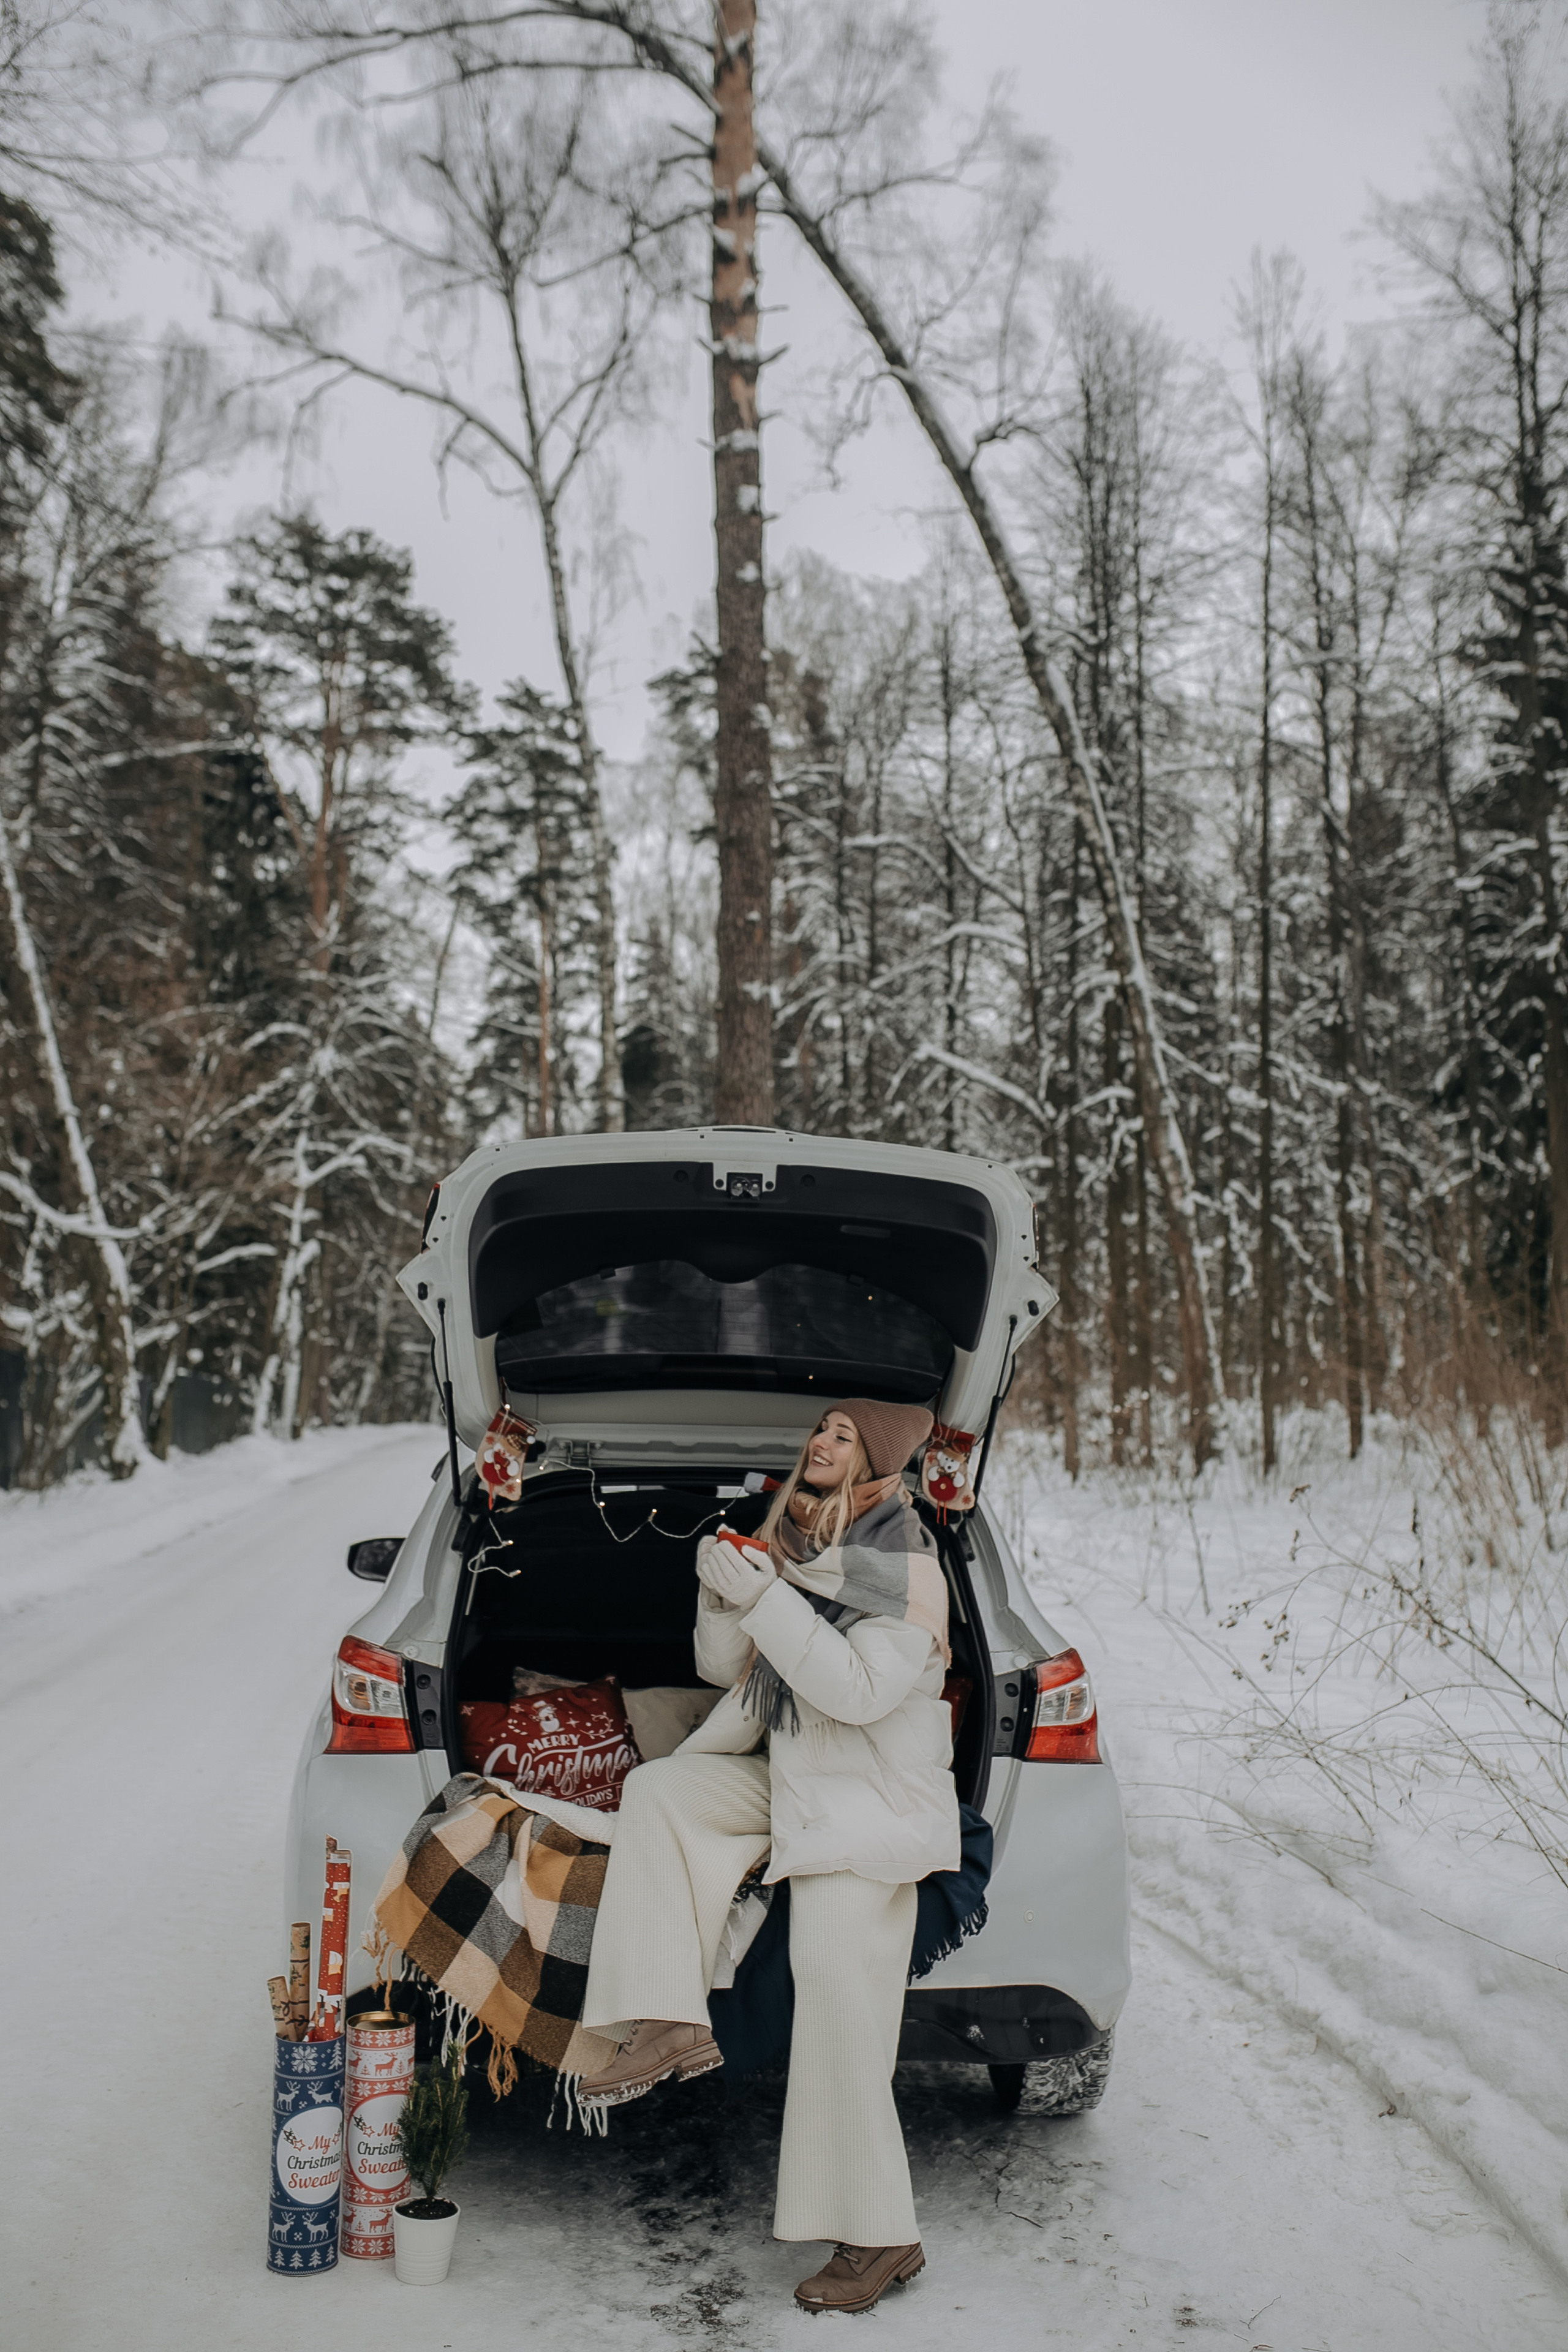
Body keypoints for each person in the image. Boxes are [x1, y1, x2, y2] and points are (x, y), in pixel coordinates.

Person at [579, 1396, 958, 2315]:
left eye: (843, 1433)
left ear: (878, 1462)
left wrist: (766, 1597)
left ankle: (879, 2235)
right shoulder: (793, 1544)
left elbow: (862, 1693)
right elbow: (729, 1670)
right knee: (660, 1791)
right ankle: (668, 2018)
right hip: (791, 1775)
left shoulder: (903, 1563)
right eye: (820, 1428)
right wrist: (721, 1590)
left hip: (868, 1800)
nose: (822, 1440)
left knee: (836, 1995)